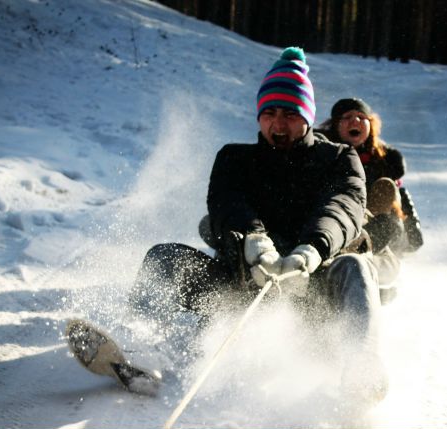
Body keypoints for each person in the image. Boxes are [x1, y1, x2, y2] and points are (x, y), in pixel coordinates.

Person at [125, 47, 388, 402]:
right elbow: (227, 202)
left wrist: (313, 249)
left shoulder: (339, 159)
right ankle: (138, 351)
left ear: (307, 117)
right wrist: (253, 240)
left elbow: (344, 206)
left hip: (313, 291)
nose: (279, 125)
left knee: (357, 267)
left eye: (291, 114)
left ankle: (361, 369)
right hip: (242, 282)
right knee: (162, 257)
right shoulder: (235, 159)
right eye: (270, 113)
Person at [317, 98, 424, 254]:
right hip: (336, 218)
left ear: (370, 124)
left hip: (373, 224)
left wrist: (411, 233)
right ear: (335, 124)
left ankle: (364, 251)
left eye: (361, 117)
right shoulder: (322, 152)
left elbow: (400, 196)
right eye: (347, 117)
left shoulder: (383, 160)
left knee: (386, 186)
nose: (355, 121)